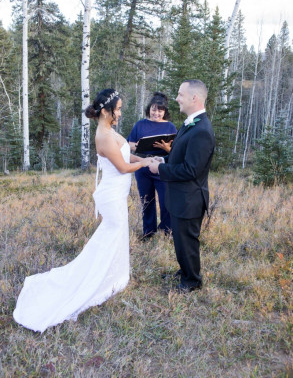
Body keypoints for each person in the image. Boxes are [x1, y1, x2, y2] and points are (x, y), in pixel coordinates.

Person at [13, 89, 152, 332]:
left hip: (115, 194)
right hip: (111, 194)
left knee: (113, 237)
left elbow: (126, 154)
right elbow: (122, 167)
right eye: (117, 109)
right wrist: (145, 163)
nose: (120, 112)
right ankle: (97, 280)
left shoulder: (108, 129)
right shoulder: (105, 136)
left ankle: (114, 276)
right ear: (107, 111)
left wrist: (144, 157)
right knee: (112, 235)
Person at [149, 80, 215, 292]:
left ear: (194, 98)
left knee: (187, 242)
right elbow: (179, 158)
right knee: (180, 239)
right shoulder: (190, 124)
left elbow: (191, 170)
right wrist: (164, 162)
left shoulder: (202, 130)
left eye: (180, 94)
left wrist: (160, 170)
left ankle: (192, 281)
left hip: (190, 199)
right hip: (180, 198)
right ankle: (185, 271)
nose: (176, 98)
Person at [128, 92, 177, 239]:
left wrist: (165, 148)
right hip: (142, 165)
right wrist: (137, 146)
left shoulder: (170, 127)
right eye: (154, 109)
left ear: (165, 112)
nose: (156, 113)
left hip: (162, 166)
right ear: (149, 109)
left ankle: (167, 231)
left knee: (165, 200)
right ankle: (148, 232)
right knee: (146, 200)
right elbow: (129, 144)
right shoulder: (140, 124)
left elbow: (174, 150)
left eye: (160, 110)